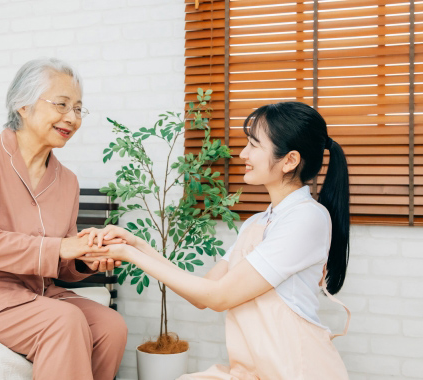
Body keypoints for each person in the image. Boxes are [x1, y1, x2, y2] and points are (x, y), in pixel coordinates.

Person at [80, 102, 351, 379]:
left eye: (254, 145)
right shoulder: (257, 223)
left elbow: (219, 297)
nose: (243, 153)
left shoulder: (306, 218)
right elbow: (206, 293)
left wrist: (128, 253)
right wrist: (138, 245)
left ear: (290, 160)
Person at [0, 58, 127, 380]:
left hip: (34, 292)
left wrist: (86, 259)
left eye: (78, 109)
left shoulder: (67, 180)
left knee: (111, 326)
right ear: (23, 106)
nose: (71, 118)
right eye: (61, 105)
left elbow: (59, 264)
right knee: (62, 321)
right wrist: (62, 246)